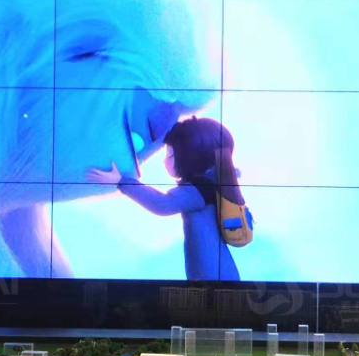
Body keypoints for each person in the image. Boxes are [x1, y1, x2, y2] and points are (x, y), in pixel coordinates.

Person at [86, 117, 242, 281]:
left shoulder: (199, 188)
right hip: (219, 274)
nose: (165, 161)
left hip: (211, 276)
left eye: (170, 155)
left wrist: (121, 181)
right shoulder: (213, 182)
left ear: (191, 158)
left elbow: (162, 204)